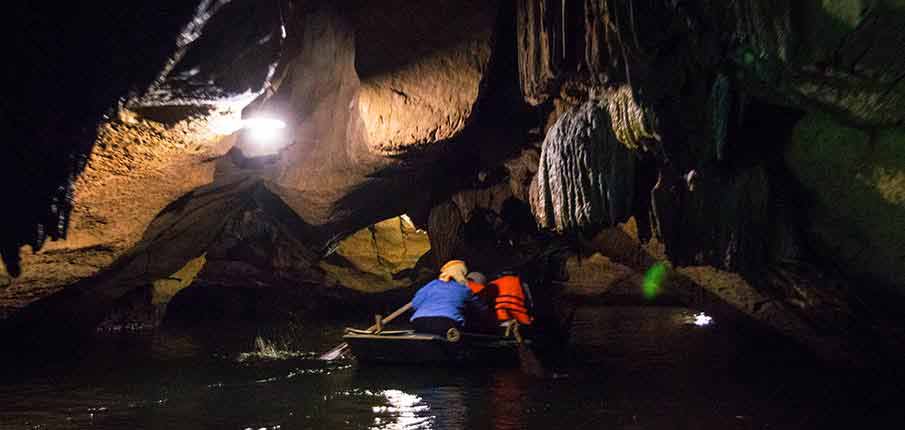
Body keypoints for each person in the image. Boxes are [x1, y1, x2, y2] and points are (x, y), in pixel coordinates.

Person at [409, 260, 474, 336]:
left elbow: (415, 304)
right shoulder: (464, 289)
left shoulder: (431, 285)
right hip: (447, 322)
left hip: (419, 321)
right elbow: (475, 307)